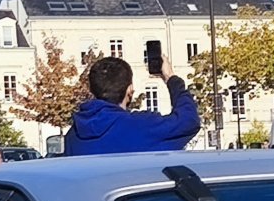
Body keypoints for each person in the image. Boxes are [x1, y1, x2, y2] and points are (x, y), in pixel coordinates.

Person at [65, 52, 201, 155]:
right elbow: (189, 120)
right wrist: (170, 77)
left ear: (92, 89)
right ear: (130, 90)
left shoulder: (74, 135)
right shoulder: (142, 127)